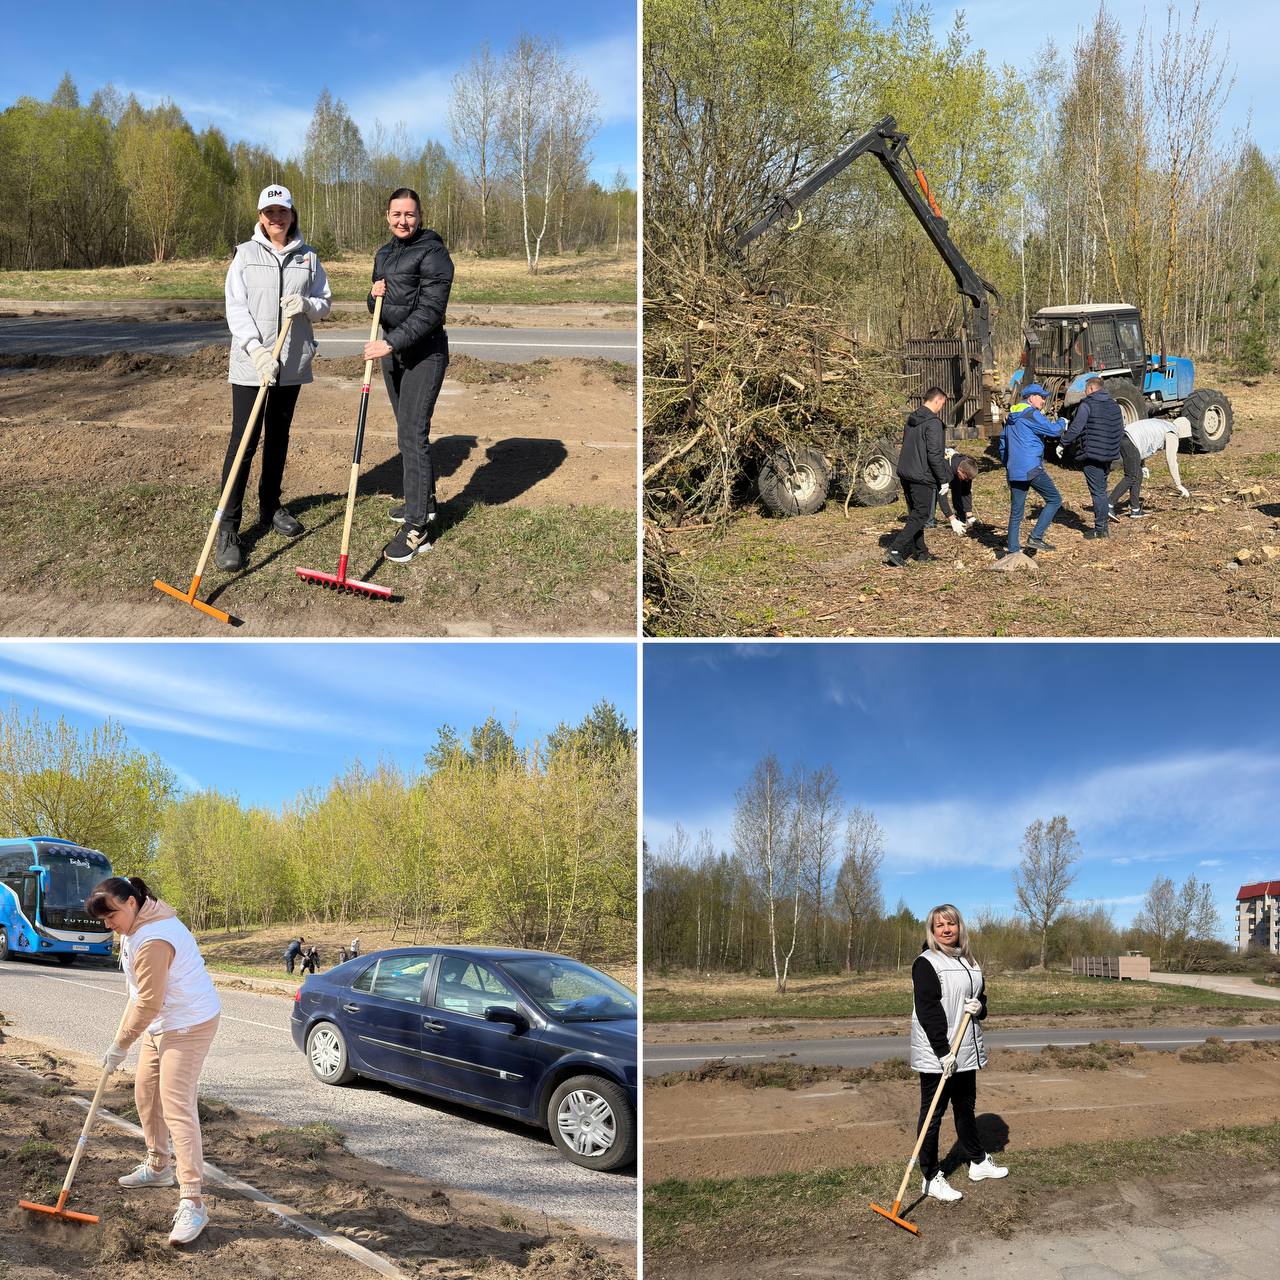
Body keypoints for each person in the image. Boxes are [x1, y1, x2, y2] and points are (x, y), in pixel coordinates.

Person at [86, 876, 221, 1246]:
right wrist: (122, 1040)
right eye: (102, 920)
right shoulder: (134, 928)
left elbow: (148, 1002)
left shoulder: (154, 938)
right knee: (146, 1094)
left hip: (189, 1022)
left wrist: (121, 1043)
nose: (108, 925)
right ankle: (159, 1166)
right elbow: (138, 995)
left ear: (131, 902)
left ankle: (193, 1200)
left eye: (110, 915)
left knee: (176, 1105)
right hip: (162, 1023)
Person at [217, 184, 332, 572]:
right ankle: (229, 529)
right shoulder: (245, 256)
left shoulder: (309, 257)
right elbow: (235, 308)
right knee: (243, 444)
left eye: (282, 211)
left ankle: (270, 507)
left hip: (291, 363)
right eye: (269, 212)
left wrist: (306, 304)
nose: (276, 218)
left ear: (292, 214)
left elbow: (325, 303)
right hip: (253, 365)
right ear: (260, 215)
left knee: (278, 438)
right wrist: (255, 349)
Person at [366, 187, 455, 564]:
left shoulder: (434, 254)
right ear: (387, 216)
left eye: (410, 214)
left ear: (420, 216)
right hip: (394, 354)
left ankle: (417, 527)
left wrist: (390, 344)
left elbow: (430, 312)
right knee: (406, 432)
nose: (403, 220)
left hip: (424, 353)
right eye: (396, 214)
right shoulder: (384, 253)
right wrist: (372, 296)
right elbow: (380, 307)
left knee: (412, 434)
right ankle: (424, 503)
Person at [911, 903, 1007, 1203]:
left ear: (960, 928)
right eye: (940, 925)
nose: (946, 929)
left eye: (951, 924)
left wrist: (981, 1008)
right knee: (932, 1115)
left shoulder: (971, 962)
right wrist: (942, 1052)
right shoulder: (927, 962)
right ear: (932, 931)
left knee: (965, 1108)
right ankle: (929, 1176)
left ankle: (977, 1161)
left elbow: (982, 1000)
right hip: (939, 1053)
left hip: (965, 1050)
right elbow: (928, 1011)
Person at [885, 387, 951, 568]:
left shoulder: (912, 419)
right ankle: (896, 549)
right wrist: (943, 479)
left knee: (916, 514)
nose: (941, 408)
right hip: (921, 475)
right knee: (922, 514)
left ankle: (921, 552)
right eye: (942, 404)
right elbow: (934, 454)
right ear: (937, 401)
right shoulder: (933, 423)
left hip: (906, 471)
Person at [1001, 383, 1065, 554]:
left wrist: (1009, 464)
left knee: (1016, 512)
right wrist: (1062, 422)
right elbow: (1053, 431)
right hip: (1031, 467)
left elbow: (1003, 445)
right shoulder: (1031, 414)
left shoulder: (1011, 417)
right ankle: (1036, 537)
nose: (1044, 400)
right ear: (1030, 398)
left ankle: (1013, 551)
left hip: (1015, 469)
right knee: (1055, 499)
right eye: (1041, 397)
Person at [1060, 377, 1124, 540]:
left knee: (1098, 493)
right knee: (1102, 490)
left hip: (1092, 455)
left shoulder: (1087, 405)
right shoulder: (1114, 405)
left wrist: (1063, 443)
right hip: (1108, 455)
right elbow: (1119, 429)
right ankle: (1103, 528)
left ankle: (1100, 529)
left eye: (1085, 389)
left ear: (1090, 389)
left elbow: (1076, 428)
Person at [1110, 415, 1191, 518]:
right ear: (1182, 431)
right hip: (1130, 441)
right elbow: (1171, 461)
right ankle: (1109, 504)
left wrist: (1142, 465)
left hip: (1125, 437)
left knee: (1138, 474)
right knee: (1131, 476)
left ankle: (1135, 510)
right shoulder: (1172, 433)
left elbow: (1145, 441)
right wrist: (1178, 484)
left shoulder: (1163, 424)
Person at [936, 452, 981, 535]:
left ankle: (963, 517)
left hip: (954, 471)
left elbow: (966, 491)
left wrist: (969, 515)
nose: (967, 480)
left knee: (960, 488)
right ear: (960, 471)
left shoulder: (966, 466)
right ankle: (929, 522)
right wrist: (952, 519)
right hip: (927, 475)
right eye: (966, 478)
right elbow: (942, 497)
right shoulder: (946, 472)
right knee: (933, 493)